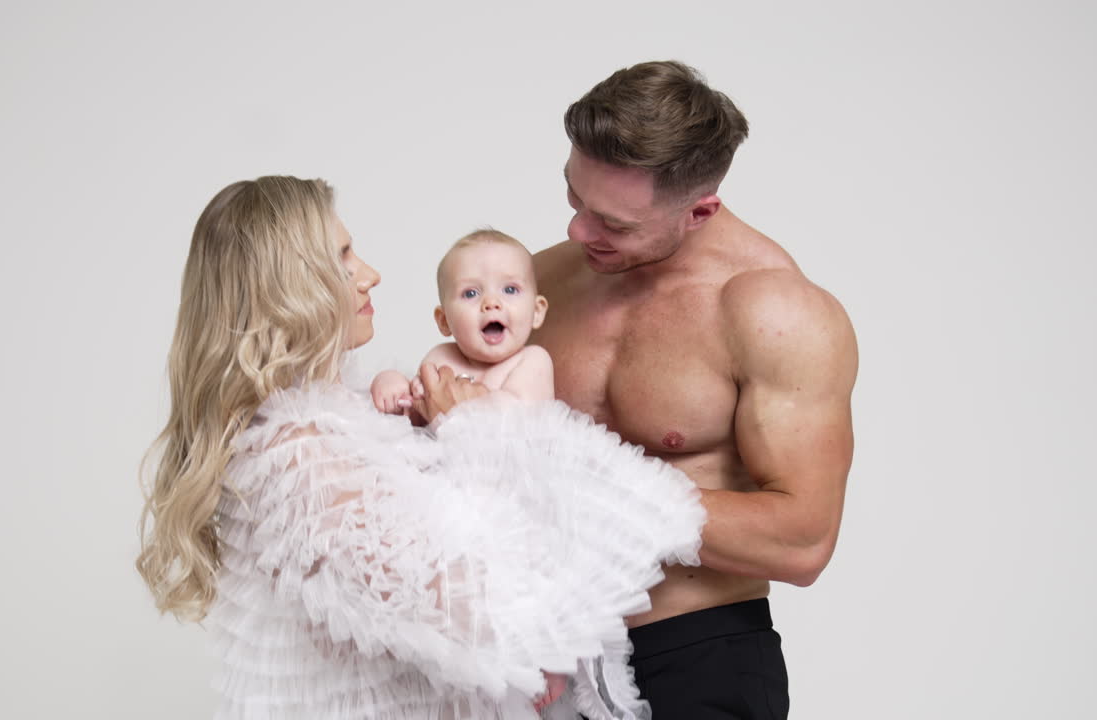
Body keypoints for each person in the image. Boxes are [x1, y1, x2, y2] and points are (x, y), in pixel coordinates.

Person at [135, 176, 707, 720]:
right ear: (290, 286)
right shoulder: (302, 455)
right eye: (343, 257)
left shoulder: (342, 419)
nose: (371, 275)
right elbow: (482, 613)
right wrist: (475, 431)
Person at [531, 60, 859, 719]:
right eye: (574, 197)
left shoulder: (773, 311)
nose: (578, 232)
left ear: (700, 210)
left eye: (615, 223)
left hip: (692, 657)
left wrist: (592, 488)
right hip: (541, 664)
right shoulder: (541, 281)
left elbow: (802, 542)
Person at [370, 228, 553, 415]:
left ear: (536, 311)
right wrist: (395, 388)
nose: (491, 303)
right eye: (470, 293)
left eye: (510, 290)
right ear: (444, 321)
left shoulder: (532, 360)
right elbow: (419, 416)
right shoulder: (441, 358)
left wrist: (459, 404)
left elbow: (520, 418)